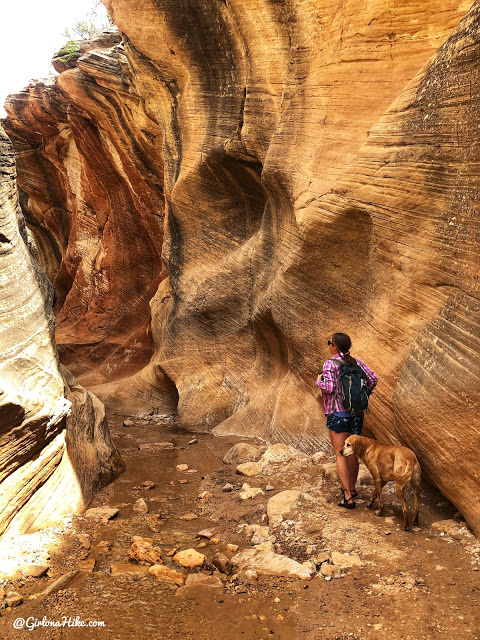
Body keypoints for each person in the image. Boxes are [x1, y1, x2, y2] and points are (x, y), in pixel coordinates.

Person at [315, 332, 378, 509]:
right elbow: (373, 379)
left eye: (330, 343)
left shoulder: (330, 363)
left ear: (334, 346)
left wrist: (318, 381)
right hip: (356, 413)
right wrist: (363, 395)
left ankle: (348, 496)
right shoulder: (356, 362)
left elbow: (329, 388)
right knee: (353, 452)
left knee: (340, 453)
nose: (329, 345)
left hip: (337, 413)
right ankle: (353, 488)